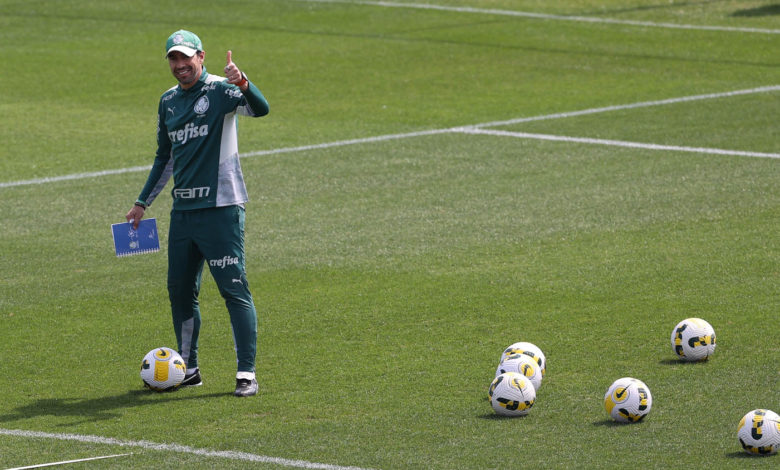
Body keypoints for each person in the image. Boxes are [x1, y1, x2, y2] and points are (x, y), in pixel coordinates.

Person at [125, 30, 269, 397]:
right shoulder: (168, 101)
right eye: (173, 59)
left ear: (201, 57)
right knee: (180, 291)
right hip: (184, 213)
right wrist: (142, 203)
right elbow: (165, 156)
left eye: (185, 58)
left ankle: (246, 374)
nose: (179, 65)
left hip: (221, 209)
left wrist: (244, 82)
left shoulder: (221, 90)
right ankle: (188, 368)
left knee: (234, 291)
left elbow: (260, 108)